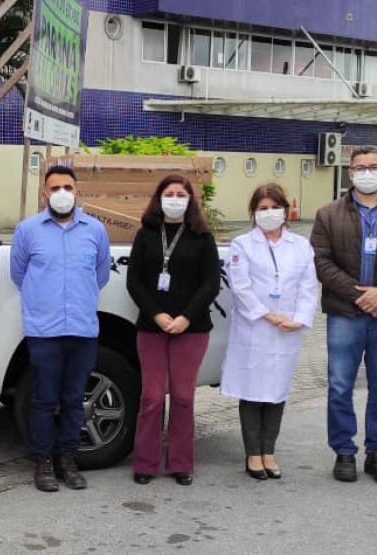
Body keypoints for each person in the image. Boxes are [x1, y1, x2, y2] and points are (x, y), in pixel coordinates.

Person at [11, 165, 110, 492]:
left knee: (73, 398)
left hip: (82, 329)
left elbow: (100, 275)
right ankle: (43, 461)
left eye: (67, 187)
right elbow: (19, 275)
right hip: (44, 331)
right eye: (55, 188)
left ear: (77, 192)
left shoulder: (95, 230)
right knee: (43, 398)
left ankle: (67, 459)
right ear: (44, 193)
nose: (62, 193)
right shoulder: (28, 230)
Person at [311, 145, 377, 485]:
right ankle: (344, 451)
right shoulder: (328, 214)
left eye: (374, 167)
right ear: (350, 173)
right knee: (339, 386)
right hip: (344, 313)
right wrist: (360, 295)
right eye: (360, 168)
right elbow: (320, 261)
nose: (367, 173)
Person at [126, 174, 220, 486]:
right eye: (170, 194)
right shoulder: (146, 234)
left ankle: (180, 463)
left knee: (182, 396)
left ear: (190, 200)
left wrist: (186, 317)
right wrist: (156, 314)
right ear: (159, 198)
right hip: (152, 327)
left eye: (182, 194)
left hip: (191, 329)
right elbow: (134, 281)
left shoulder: (202, 236)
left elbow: (211, 284)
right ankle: (145, 463)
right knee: (152, 396)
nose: (175, 199)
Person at [220, 184, 317, 480]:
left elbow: (308, 287)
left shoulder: (301, 246)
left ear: (285, 210)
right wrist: (267, 314)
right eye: (263, 208)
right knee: (252, 390)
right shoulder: (242, 244)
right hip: (255, 327)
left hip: (287, 329)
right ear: (253, 213)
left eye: (275, 207)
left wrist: (299, 319)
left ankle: (269, 451)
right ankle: (253, 453)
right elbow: (241, 287)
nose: (269, 213)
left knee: (277, 390)